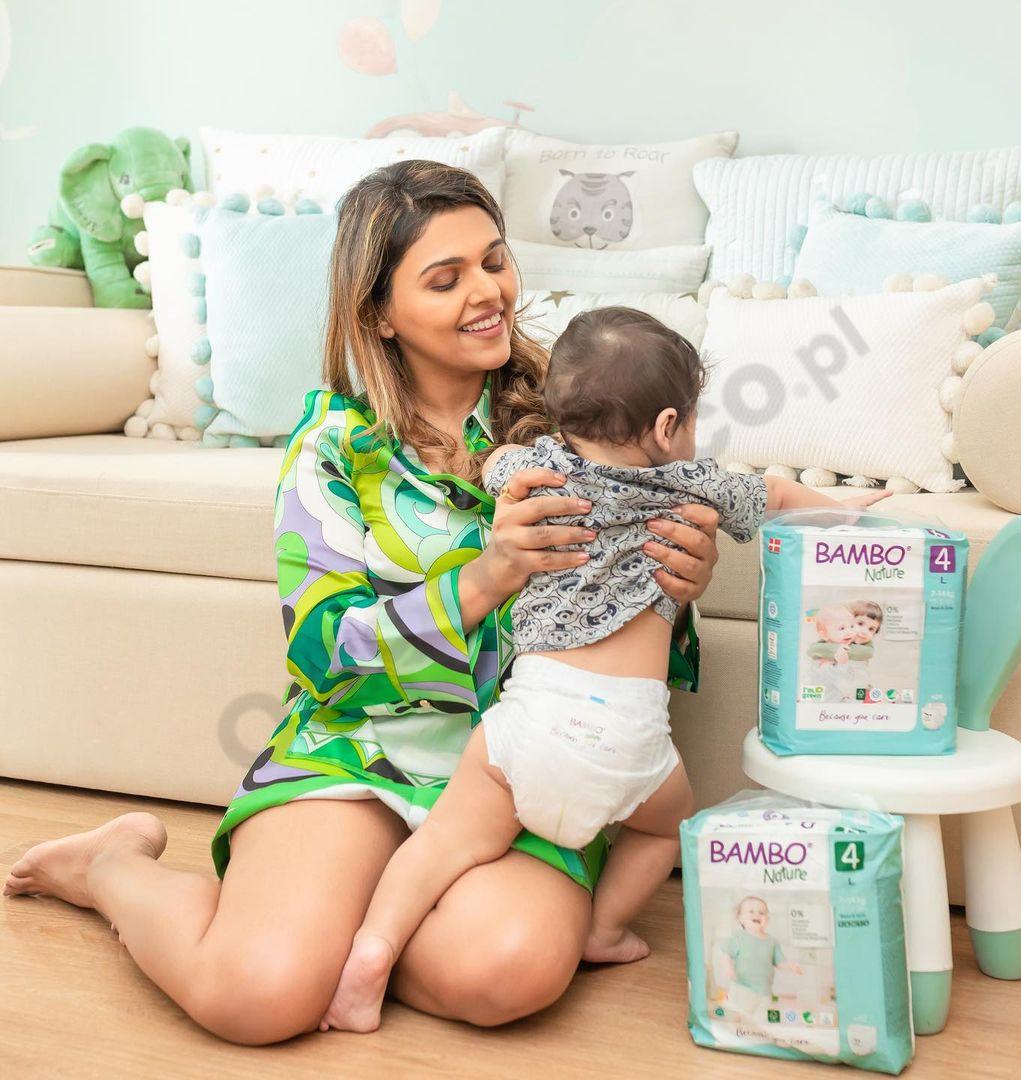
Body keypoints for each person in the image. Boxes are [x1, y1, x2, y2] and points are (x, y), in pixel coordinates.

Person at [2, 160, 885, 1044]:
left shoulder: (586, 407)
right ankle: (113, 866)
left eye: (494, 261)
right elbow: (322, 653)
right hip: (364, 749)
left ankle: (348, 927)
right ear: (379, 313)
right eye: (445, 277)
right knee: (259, 995)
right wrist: (486, 577)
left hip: (532, 767)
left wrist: (681, 584)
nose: (487, 292)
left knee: (506, 969)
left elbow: (629, 643)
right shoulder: (333, 448)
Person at [319, 306, 892, 1033]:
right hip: (629, 747)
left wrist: (493, 462)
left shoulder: (538, 471)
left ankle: (373, 950)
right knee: (666, 825)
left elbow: (491, 464)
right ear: (666, 426)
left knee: (441, 845)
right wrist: (845, 511)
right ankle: (604, 929)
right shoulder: (693, 484)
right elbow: (778, 499)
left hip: (530, 726)